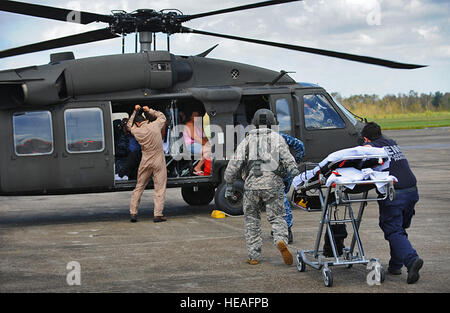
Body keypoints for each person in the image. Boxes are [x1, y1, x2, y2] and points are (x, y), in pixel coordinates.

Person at [224, 109, 300, 265]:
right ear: (273, 122)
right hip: (273, 185)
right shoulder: (277, 138)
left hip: (251, 186)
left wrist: (229, 183)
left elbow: (234, 165)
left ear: (254, 123)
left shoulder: (247, 140)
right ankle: (280, 240)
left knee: (252, 221)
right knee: (278, 218)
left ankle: (254, 256)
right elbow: (288, 160)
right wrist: (295, 175)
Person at [362, 121, 423, 284]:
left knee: (392, 229)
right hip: (411, 189)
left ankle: (411, 260)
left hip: (395, 191)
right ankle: (395, 265)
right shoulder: (392, 143)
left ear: (366, 139)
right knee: (399, 229)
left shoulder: (371, 148)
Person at [127, 105, 167, 223]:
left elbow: (129, 125)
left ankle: (133, 213)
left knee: (139, 187)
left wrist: (134, 111)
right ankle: (157, 215)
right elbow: (162, 117)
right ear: (144, 121)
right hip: (158, 159)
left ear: (138, 124)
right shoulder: (155, 125)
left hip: (146, 159)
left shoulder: (136, 131)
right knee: (159, 188)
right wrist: (149, 110)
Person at [280, 133, 305, 243]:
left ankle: (286, 230)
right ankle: (284, 228)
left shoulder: (254, 138)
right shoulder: (281, 136)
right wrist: (297, 160)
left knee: (280, 200)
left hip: (270, 175)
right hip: (285, 172)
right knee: (282, 199)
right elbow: (300, 145)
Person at [183, 110, 211, 175]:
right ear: (191, 117)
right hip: (191, 145)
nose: (196, 117)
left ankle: (208, 169)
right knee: (209, 149)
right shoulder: (189, 125)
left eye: (197, 116)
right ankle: (198, 167)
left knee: (212, 148)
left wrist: (209, 143)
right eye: (194, 116)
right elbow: (196, 138)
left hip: (199, 144)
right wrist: (208, 145)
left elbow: (205, 137)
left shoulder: (198, 125)